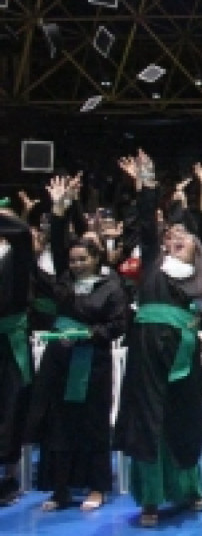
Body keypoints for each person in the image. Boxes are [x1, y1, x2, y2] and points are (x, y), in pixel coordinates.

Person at [114, 151, 202, 527]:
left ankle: (188, 488)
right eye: (171, 237)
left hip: (183, 357)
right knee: (149, 423)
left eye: (184, 239)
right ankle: (151, 500)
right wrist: (148, 184)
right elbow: (146, 223)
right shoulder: (155, 263)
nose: (176, 240)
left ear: (197, 250)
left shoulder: (200, 280)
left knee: (182, 422)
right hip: (146, 353)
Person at [27, 176, 127, 512]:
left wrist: (89, 335)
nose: (76, 264)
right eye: (72, 261)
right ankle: (59, 490)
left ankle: (97, 487)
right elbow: (57, 242)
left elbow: (118, 324)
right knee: (59, 425)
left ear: (96, 258)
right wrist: (59, 209)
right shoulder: (65, 281)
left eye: (82, 259)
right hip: (60, 360)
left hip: (92, 362)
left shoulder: (110, 285)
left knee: (92, 425)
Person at [0, 201, 33, 507]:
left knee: (11, 408)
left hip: (10, 340)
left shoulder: (17, 255)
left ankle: (8, 477)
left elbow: (22, 232)